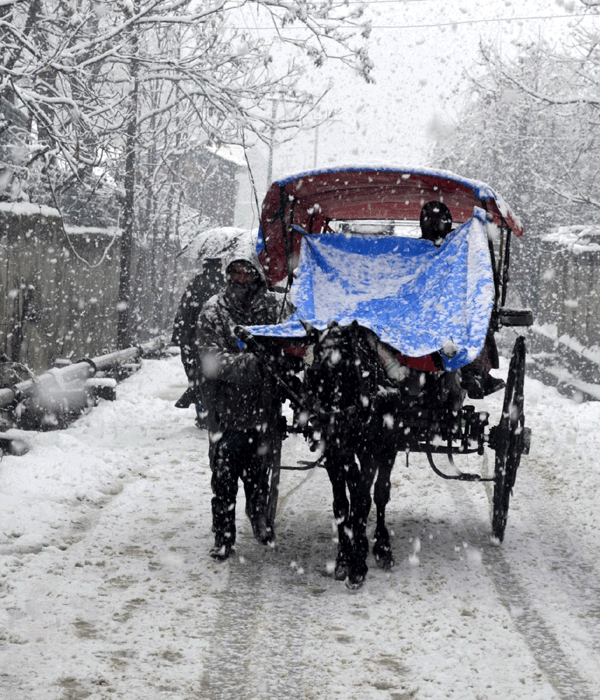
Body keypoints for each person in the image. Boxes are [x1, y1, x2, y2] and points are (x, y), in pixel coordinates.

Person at [195, 241, 294, 561]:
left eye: (246, 271)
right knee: (223, 476)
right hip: (224, 407)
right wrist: (252, 363)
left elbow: (289, 346)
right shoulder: (213, 309)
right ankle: (223, 536)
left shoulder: (273, 308)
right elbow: (211, 359)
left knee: (257, 471)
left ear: (257, 273)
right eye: (234, 271)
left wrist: (279, 362)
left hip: (262, 406)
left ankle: (259, 519)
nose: (240, 277)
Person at [419, 200, 505, 398]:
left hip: (447, 315)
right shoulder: (426, 250)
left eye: (437, 220)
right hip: (430, 316)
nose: (435, 225)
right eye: (432, 220)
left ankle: (473, 372)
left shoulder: (457, 249)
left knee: (475, 324)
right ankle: (473, 372)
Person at [171, 258, 224, 426]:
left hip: (193, 340)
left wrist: (180, 335)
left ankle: (202, 413)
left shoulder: (196, 283)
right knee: (217, 377)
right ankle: (215, 412)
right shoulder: (225, 284)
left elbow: (184, 311)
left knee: (196, 376)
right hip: (215, 340)